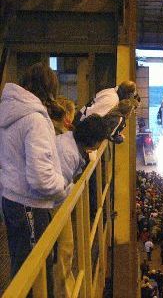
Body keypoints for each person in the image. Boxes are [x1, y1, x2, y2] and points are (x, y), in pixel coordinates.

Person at [0, 63, 67, 297]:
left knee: (20, 265)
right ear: (48, 89)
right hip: (30, 204)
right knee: (36, 273)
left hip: (11, 199)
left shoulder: (9, 110)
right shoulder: (35, 119)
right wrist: (63, 188)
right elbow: (40, 178)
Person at [53, 114, 109, 297]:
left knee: (66, 249)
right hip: (53, 204)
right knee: (64, 250)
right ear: (93, 141)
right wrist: (75, 192)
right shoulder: (68, 153)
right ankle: (64, 292)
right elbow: (57, 189)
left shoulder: (70, 144)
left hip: (55, 202)